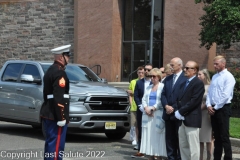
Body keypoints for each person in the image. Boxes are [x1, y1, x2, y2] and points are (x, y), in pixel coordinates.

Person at [40, 44, 71, 160]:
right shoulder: (59, 73)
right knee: (57, 146)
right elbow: (59, 97)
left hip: (49, 113)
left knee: (50, 144)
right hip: (55, 116)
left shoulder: (50, 70)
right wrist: (61, 117)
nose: (68, 58)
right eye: (67, 56)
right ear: (60, 57)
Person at [173, 60, 205, 160]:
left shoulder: (198, 83)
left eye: (187, 68)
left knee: (193, 147)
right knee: (183, 145)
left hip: (192, 119)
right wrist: (177, 110)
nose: (184, 70)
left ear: (194, 70)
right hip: (182, 119)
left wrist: (181, 111)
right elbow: (179, 99)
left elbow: (194, 101)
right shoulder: (183, 83)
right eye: (185, 68)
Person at [206, 55, 236, 160]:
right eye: (214, 64)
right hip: (213, 108)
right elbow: (210, 93)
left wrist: (216, 107)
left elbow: (225, 95)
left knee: (224, 136)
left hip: (223, 108)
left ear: (223, 64)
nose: (214, 66)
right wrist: (209, 105)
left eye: (216, 64)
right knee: (217, 136)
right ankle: (217, 158)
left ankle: (228, 158)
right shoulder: (214, 77)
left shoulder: (228, 77)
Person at [161, 57, 187, 160]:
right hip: (168, 113)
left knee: (179, 139)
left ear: (180, 65)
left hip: (178, 113)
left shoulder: (185, 79)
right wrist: (166, 106)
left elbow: (184, 96)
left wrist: (174, 107)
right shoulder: (167, 79)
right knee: (169, 139)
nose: (171, 67)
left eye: (173, 65)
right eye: (170, 65)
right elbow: (163, 94)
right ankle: (171, 157)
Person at [140, 68, 167, 160]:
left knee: (158, 136)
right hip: (147, 115)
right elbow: (143, 99)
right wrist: (146, 108)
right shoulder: (148, 87)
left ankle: (158, 156)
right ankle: (150, 156)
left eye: (154, 76)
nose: (152, 78)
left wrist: (153, 108)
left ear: (159, 77)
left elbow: (161, 100)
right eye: (151, 76)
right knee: (149, 137)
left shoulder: (163, 86)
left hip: (157, 115)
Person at [131, 63, 153, 158]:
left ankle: (151, 151)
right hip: (141, 110)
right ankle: (140, 150)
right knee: (141, 129)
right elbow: (136, 95)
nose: (147, 71)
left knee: (151, 130)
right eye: (146, 70)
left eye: (149, 70)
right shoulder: (139, 82)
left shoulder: (155, 82)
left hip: (152, 110)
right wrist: (140, 106)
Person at [127, 66, 145, 146]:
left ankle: (140, 139)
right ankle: (134, 139)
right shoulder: (133, 81)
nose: (141, 74)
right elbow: (130, 94)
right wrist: (131, 103)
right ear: (137, 73)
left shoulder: (146, 82)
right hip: (134, 106)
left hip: (142, 106)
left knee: (139, 124)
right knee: (133, 123)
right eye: (139, 73)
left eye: (142, 72)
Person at [198, 69, 213, 160]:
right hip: (198, 114)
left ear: (205, 75)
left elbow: (210, 100)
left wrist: (202, 108)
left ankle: (209, 157)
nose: (198, 76)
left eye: (200, 74)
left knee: (209, 138)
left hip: (206, 114)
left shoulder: (210, 87)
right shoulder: (198, 86)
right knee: (200, 139)